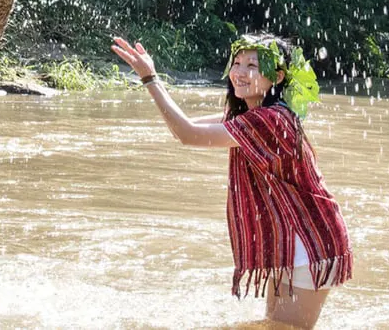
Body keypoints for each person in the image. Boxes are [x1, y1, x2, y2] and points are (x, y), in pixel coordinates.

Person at [111, 33, 352, 329]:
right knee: (273, 324)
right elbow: (184, 128)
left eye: (252, 65)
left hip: (310, 240)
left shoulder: (269, 120)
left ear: (277, 76)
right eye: (237, 63)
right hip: (290, 237)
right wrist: (152, 82)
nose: (239, 72)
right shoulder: (251, 115)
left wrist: (150, 79)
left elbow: (187, 134)